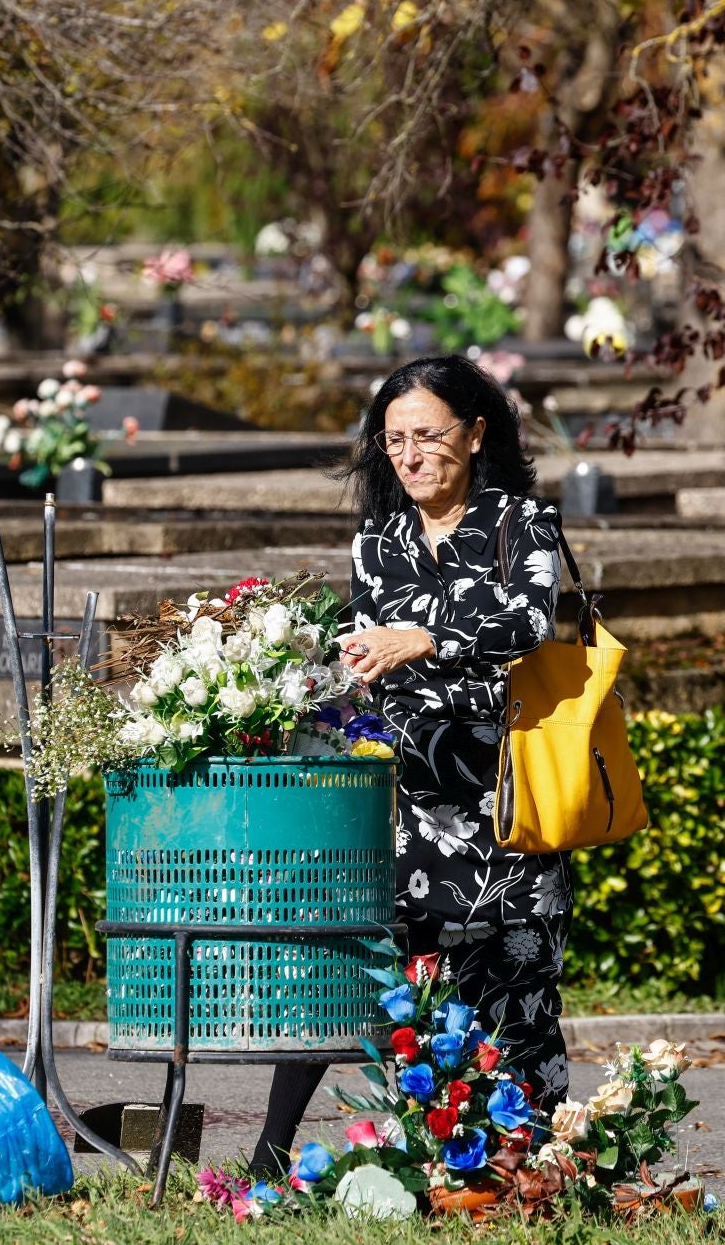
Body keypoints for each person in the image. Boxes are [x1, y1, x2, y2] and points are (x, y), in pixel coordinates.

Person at [248, 354, 574, 1177]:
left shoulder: (519, 525)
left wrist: (424, 637)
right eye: (394, 440)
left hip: (506, 801)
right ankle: (266, 1156)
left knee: (513, 998)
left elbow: (527, 622)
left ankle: (531, 1164)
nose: (410, 455)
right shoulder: (376, 542)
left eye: (428, 434)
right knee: (350, 969)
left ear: (475, 432)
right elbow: (363, 660)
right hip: (405, 807)